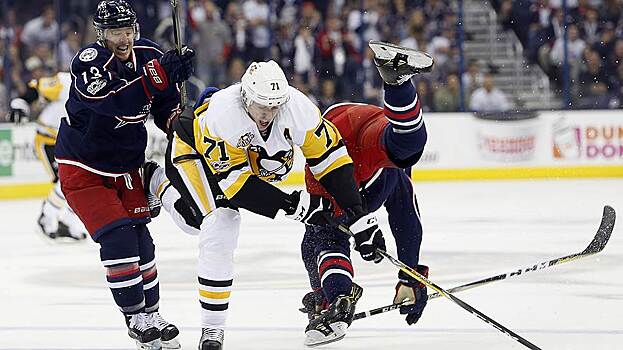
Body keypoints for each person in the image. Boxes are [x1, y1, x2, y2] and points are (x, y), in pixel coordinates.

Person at [153, 59, 386, 350]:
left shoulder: (297, 109)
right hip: (192, 151)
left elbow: (332, 161)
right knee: (220, 222)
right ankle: (212, 329)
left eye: (274, 106)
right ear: (246, 97)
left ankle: (159, 186)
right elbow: (235, 186)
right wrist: (296, 206)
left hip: (241, 159)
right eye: (262, 105)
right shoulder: (225, 115)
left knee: (197, 222)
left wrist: (359, 217)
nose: (267, 114)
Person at [53, 1, 194, 349]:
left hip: (127, 165)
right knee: (118, 238)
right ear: (102, 34)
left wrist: (178, 121)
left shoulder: (149, 55)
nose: (124, 38)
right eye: (116, 32)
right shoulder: (88, 62)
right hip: (84, 167)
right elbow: (113, 102)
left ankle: (153, 316)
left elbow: (161, 106)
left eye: (128, 30)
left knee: (142, 242)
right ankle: (135, 319)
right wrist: (157, 77)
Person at [299, 41, 433, 346]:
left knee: (405, 150)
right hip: (343, 130)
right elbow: (404, 213)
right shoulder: (322, 186)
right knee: (406, 148)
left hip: (346, 128)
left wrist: (409, 275)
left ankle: (332, 300)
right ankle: (397, 83)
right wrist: (409, 274)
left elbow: (402, 211)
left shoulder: (322, 188)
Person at [9, 71, 88, 240]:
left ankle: (67, 219)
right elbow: (37, 88)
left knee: (79, 182)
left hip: (73, 142)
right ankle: (47, 215)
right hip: (49, 139)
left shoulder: (105, 89)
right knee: (65, 181)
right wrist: (21, 103)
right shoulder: (66, 82)